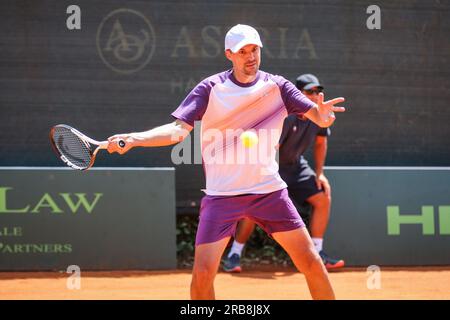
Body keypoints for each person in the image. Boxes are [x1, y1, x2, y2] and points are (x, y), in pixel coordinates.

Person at [107, 24, 345, 300]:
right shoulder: (210, 89)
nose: (250, 56)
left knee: (311, 262)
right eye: (242, 51)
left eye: (254, 49)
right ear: (229, 54)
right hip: (222, 197)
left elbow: (317, 115)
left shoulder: (278, 87)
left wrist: (323, 115)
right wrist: (134, 138)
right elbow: (176, 131)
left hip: (269, 192)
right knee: (203, 277)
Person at [223, 74, 345, 273]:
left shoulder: (319, 115)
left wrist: (320, 173)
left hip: (296, 167)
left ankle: (317, 252)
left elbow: (321, 143)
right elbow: (272, 149)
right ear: (298, 94)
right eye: (309, 92)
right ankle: (234, 255)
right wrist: (267, 177)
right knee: (252, 209)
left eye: (317, 91)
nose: (315, 95)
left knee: (322, 197)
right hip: (271, 166)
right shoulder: (287, 117)